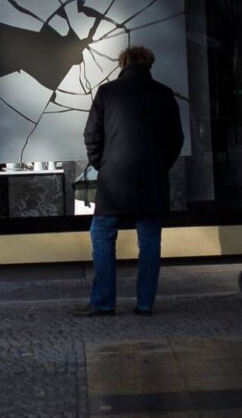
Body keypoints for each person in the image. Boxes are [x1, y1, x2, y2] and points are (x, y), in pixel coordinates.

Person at [73, 46, 184, 317]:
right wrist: (160, 165)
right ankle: (145, 303)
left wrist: (103, 164)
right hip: (152, 179)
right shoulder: (164, 94)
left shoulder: (108, 93)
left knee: (101, 235)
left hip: (115, 180)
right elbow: (175, 139)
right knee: (149, 241)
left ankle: (103, 302)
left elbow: (91, 135)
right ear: (149, 64)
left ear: (122, 63)